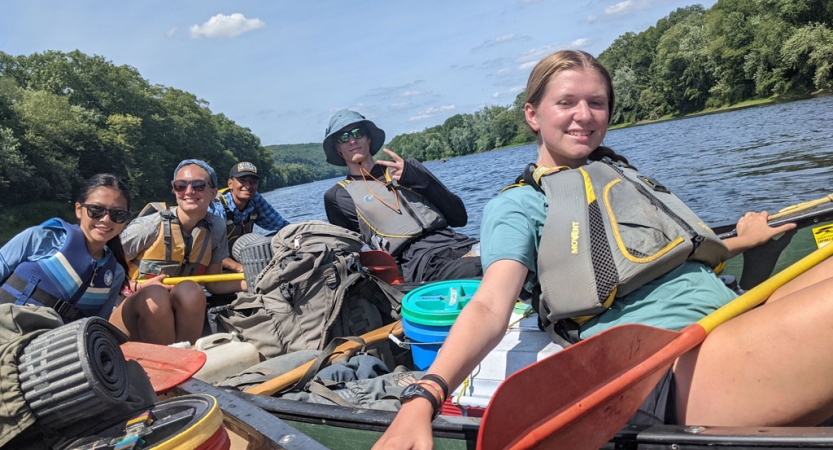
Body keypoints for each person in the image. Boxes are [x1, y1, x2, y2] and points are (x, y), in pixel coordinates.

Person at [373, 50, 833, 449]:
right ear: (533, 115)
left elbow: (665, 258)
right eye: (566, 102)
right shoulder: (519, 205)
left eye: (597, 103)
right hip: (666, 369)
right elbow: (491, 305)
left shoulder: (617, 177)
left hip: (734, 317)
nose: (585, 114)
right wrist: (425, 396)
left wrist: (741, 242)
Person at [0, 174, 197, 345]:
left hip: (55, 352)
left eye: (117, 214)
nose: (105, 220)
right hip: (10, 331)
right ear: (79, 209)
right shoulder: (41, 238)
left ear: (125, 221)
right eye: (96, 210)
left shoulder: (115, 272)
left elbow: (97, 324)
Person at [322, 109, 481, 283]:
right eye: (343, 137)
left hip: (461, 243)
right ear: (337, 148)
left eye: (358, 133)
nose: (352, 140)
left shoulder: (407, 168)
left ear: (368, 138)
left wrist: (419, 179)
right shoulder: (338, 197)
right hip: (423, 262)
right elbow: (348, 255)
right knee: (491, 267)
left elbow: (460, 217)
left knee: (510, 254)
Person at [119, 159, 245, 344]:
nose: (189, 191)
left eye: (199, 186)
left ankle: (185, 358)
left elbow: (214, 283)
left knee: (191, 291)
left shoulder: (216, 228)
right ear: (174, 190)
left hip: (172, 312)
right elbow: (104, 273)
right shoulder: (148, 227)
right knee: (156, 295)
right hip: (128, 311)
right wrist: (137, 287)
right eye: (180, 186)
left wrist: (254, 282)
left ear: (213, 193)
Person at [209, 161, 290, 272]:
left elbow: (282, 226)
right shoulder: (217, 206)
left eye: (253, 181)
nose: (248, 186)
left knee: (279, 238)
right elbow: (209, 250)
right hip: (217, 264)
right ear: (230, 184)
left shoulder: (255, 199)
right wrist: (241, 268)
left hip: (243, 257)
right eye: (242, 180)